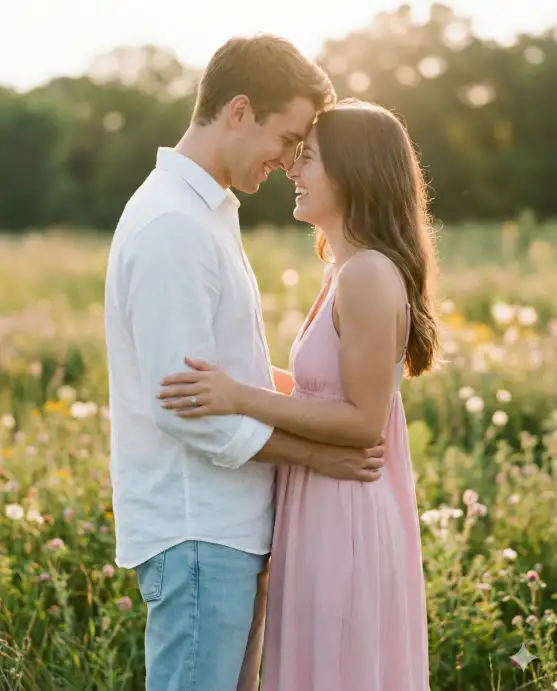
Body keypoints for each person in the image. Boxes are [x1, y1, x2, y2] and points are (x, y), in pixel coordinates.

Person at [104, 36, 386, 691]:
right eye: (287, 138)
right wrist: (317, 454)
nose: (289, 161)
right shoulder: (171, 225)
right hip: (198, 528)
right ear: (237, 111)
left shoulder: (206, 215)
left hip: (226, 527)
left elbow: (228, 380)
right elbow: (188, 410)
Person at [159, 99, 439, 691]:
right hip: (323, 501)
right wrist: (242, 378)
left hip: (346, 508)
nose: (292, 167)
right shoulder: (344, 271)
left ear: (352, 173)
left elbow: (363, 422)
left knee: (336, 666)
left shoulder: (366, 275)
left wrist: (240, 396)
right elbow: (324, 389)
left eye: (307, 158)